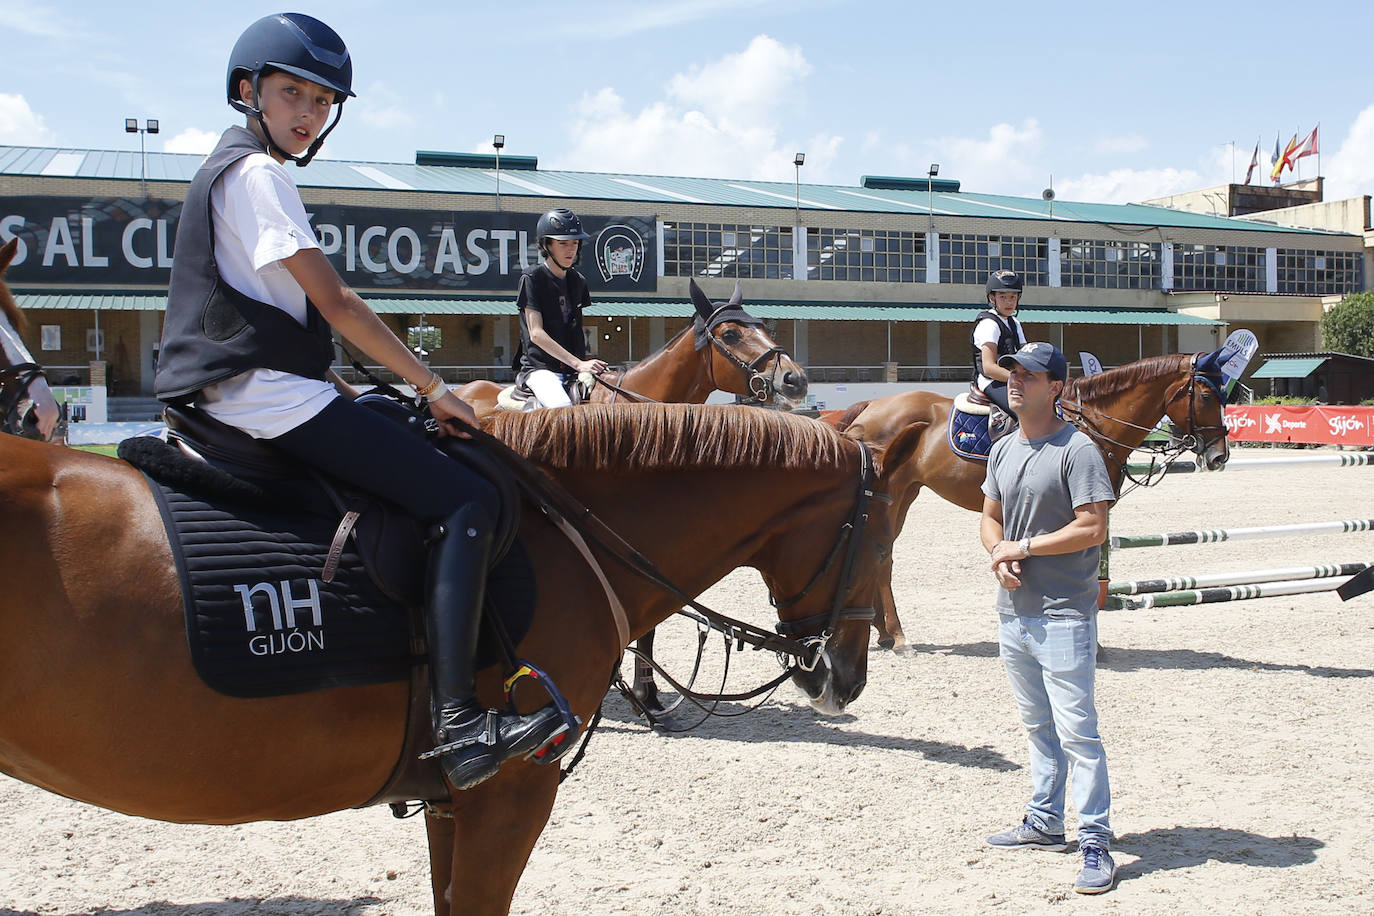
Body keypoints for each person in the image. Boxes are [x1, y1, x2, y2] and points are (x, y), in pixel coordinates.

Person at [154, 13, 568, 791]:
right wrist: (434, 387)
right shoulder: (259, 175)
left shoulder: (230, 168)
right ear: (249, 93)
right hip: (262, 403)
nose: (307, 114)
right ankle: (460, 724)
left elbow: (269, 317)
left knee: (398, 439)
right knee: (467, 500)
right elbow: (339, 305)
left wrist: (346, 387)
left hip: (262, 390)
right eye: (291, 95)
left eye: (321, 101)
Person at [978, 341, 1119, 895]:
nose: (1016, 380)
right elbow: (991, 519)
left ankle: (1095, 842)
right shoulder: (1002, 448)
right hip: (1013, 612)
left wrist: (1025, 549)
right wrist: (999, 555)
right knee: (1038, 728)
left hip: (1063, 614)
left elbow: (1093, 528)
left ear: (1056, 387)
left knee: (1078, 733)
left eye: (1030, 375)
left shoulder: (1077, 450)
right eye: (1013, 371)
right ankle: (1044, 820)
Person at [514, 208, 608, 407]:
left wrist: (582, 365)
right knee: (562, 408)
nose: (571, 249)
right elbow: (536, 334)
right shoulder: (531, 278)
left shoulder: (578, 281)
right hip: (541, 371)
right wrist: (578, 363)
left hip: (574, 370)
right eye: (563, 243)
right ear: (546, 245)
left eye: (575, 243)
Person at [970, 269, 1028, 417]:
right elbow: (989, 368)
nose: (1009, 302)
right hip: (991, 382)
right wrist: (1019, 378)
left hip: (1012, 380)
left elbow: (1025, 356)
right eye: (1003, 297)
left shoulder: (1014, 323)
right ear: (992, 298)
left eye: (1012, 297)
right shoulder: (989, 324)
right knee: (1026, 411)